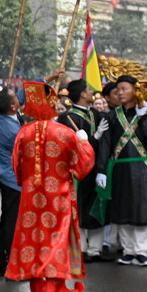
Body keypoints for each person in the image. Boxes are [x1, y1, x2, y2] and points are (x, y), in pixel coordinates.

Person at [5, 97, 96, 292]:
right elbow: (83, 165)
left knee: (33, 239)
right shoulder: (65, 132)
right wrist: (83, 141)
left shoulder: (24, 132)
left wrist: (27, 181)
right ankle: (55, 289)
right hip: (58, 196)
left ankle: (37, 290)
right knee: (56, 238)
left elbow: (16, 164)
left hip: (31, 195)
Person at [97, 77, 147, 265]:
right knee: (122, 208)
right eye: (118, 90)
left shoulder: (146, 114)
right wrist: (101, 170)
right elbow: (105, 144)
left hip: (142, 167)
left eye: (124, 89)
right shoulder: (112, 116)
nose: (120, 93)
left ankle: (142, 250)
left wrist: (146, 116)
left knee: (142, 209)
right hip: (120, 168)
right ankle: (128, 250)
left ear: (135, 91)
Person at [55, 80, 105, 260]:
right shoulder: (67, 118)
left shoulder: (97, 115)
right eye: (89, 90)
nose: (92, 92)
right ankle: (80, 248)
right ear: (83, 94)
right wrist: (92, 139)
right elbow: (67, 146)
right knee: (79, 207)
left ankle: (95, 249)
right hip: (77, 171)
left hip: (96, 170)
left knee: (96, 206)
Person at [0, 88, 23, 275]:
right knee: (12, 222)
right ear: (12, 106)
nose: (19, 98)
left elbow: (24, 94)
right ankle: (11, 262)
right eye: (16, 97)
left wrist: (49, 78)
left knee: (6, 219)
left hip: (6, 176)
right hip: (12, 179)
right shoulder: (12, 130)